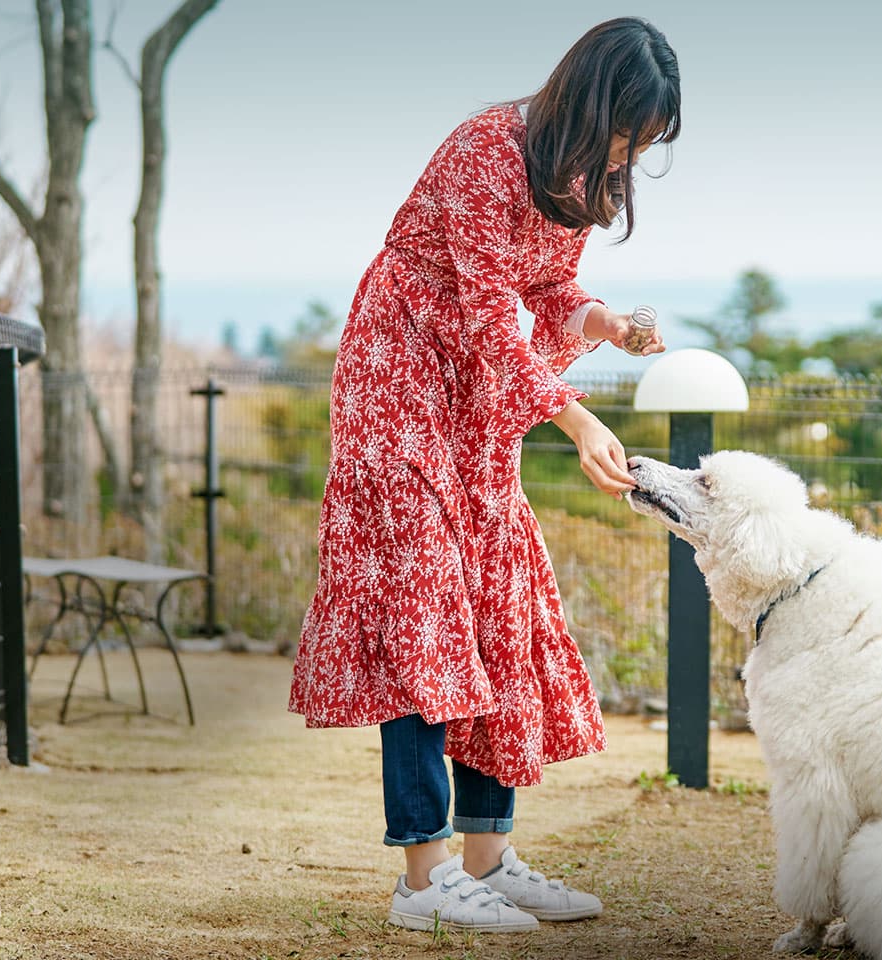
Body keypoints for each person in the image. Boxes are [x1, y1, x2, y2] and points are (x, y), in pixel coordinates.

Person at [287, 17, 680, 934]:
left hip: (474, 398)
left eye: (644, 143)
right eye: (628, 132)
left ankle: (488, 859)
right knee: (422, 610)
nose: (629, 155)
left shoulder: (578, 172)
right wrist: (577, 419)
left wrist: (606, 323)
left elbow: (540, 295)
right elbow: (483, 314)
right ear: (592, 101)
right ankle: (421, 883)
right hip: (403, 380)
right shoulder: (485, 148)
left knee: (495, 605)